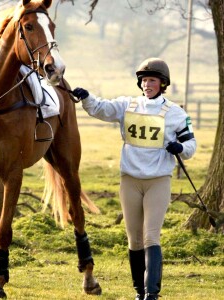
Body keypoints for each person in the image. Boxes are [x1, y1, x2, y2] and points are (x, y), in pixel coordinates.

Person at [72, 57, 196, 300]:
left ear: (162, 84)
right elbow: (101, 108)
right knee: (134, 238)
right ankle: (139, 291)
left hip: (158, 181)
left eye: (153, 80)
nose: (147, 84)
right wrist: (86, 97)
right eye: (144, 80)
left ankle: (152, 293)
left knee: (151, 235)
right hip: (130, 180)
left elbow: (190, 143)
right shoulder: (127, 106)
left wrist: (180, 149)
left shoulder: (175, 113)